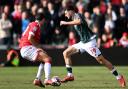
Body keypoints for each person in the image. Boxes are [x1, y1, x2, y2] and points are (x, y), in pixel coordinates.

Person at [60, 6, 126, 88]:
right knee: (65, 53)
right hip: (83, 43)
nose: (66, 15)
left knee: (101, 60)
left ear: (71, 11)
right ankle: (70, 75)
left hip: (90, 42)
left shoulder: (78, 15)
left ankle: (119, 77)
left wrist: (65, 23)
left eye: (66, 13)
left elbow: (79, 21)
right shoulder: (74, 18)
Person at [19, 13, 58, 87]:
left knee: (44, 59)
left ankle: (37, 79)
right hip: (27, 48)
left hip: (25, 48)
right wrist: (38, 47)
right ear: (43, 20)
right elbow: (30, 38)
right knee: (48, 59)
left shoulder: (32, 24)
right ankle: (47, 79)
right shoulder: (35, 25)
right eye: (44, 20)